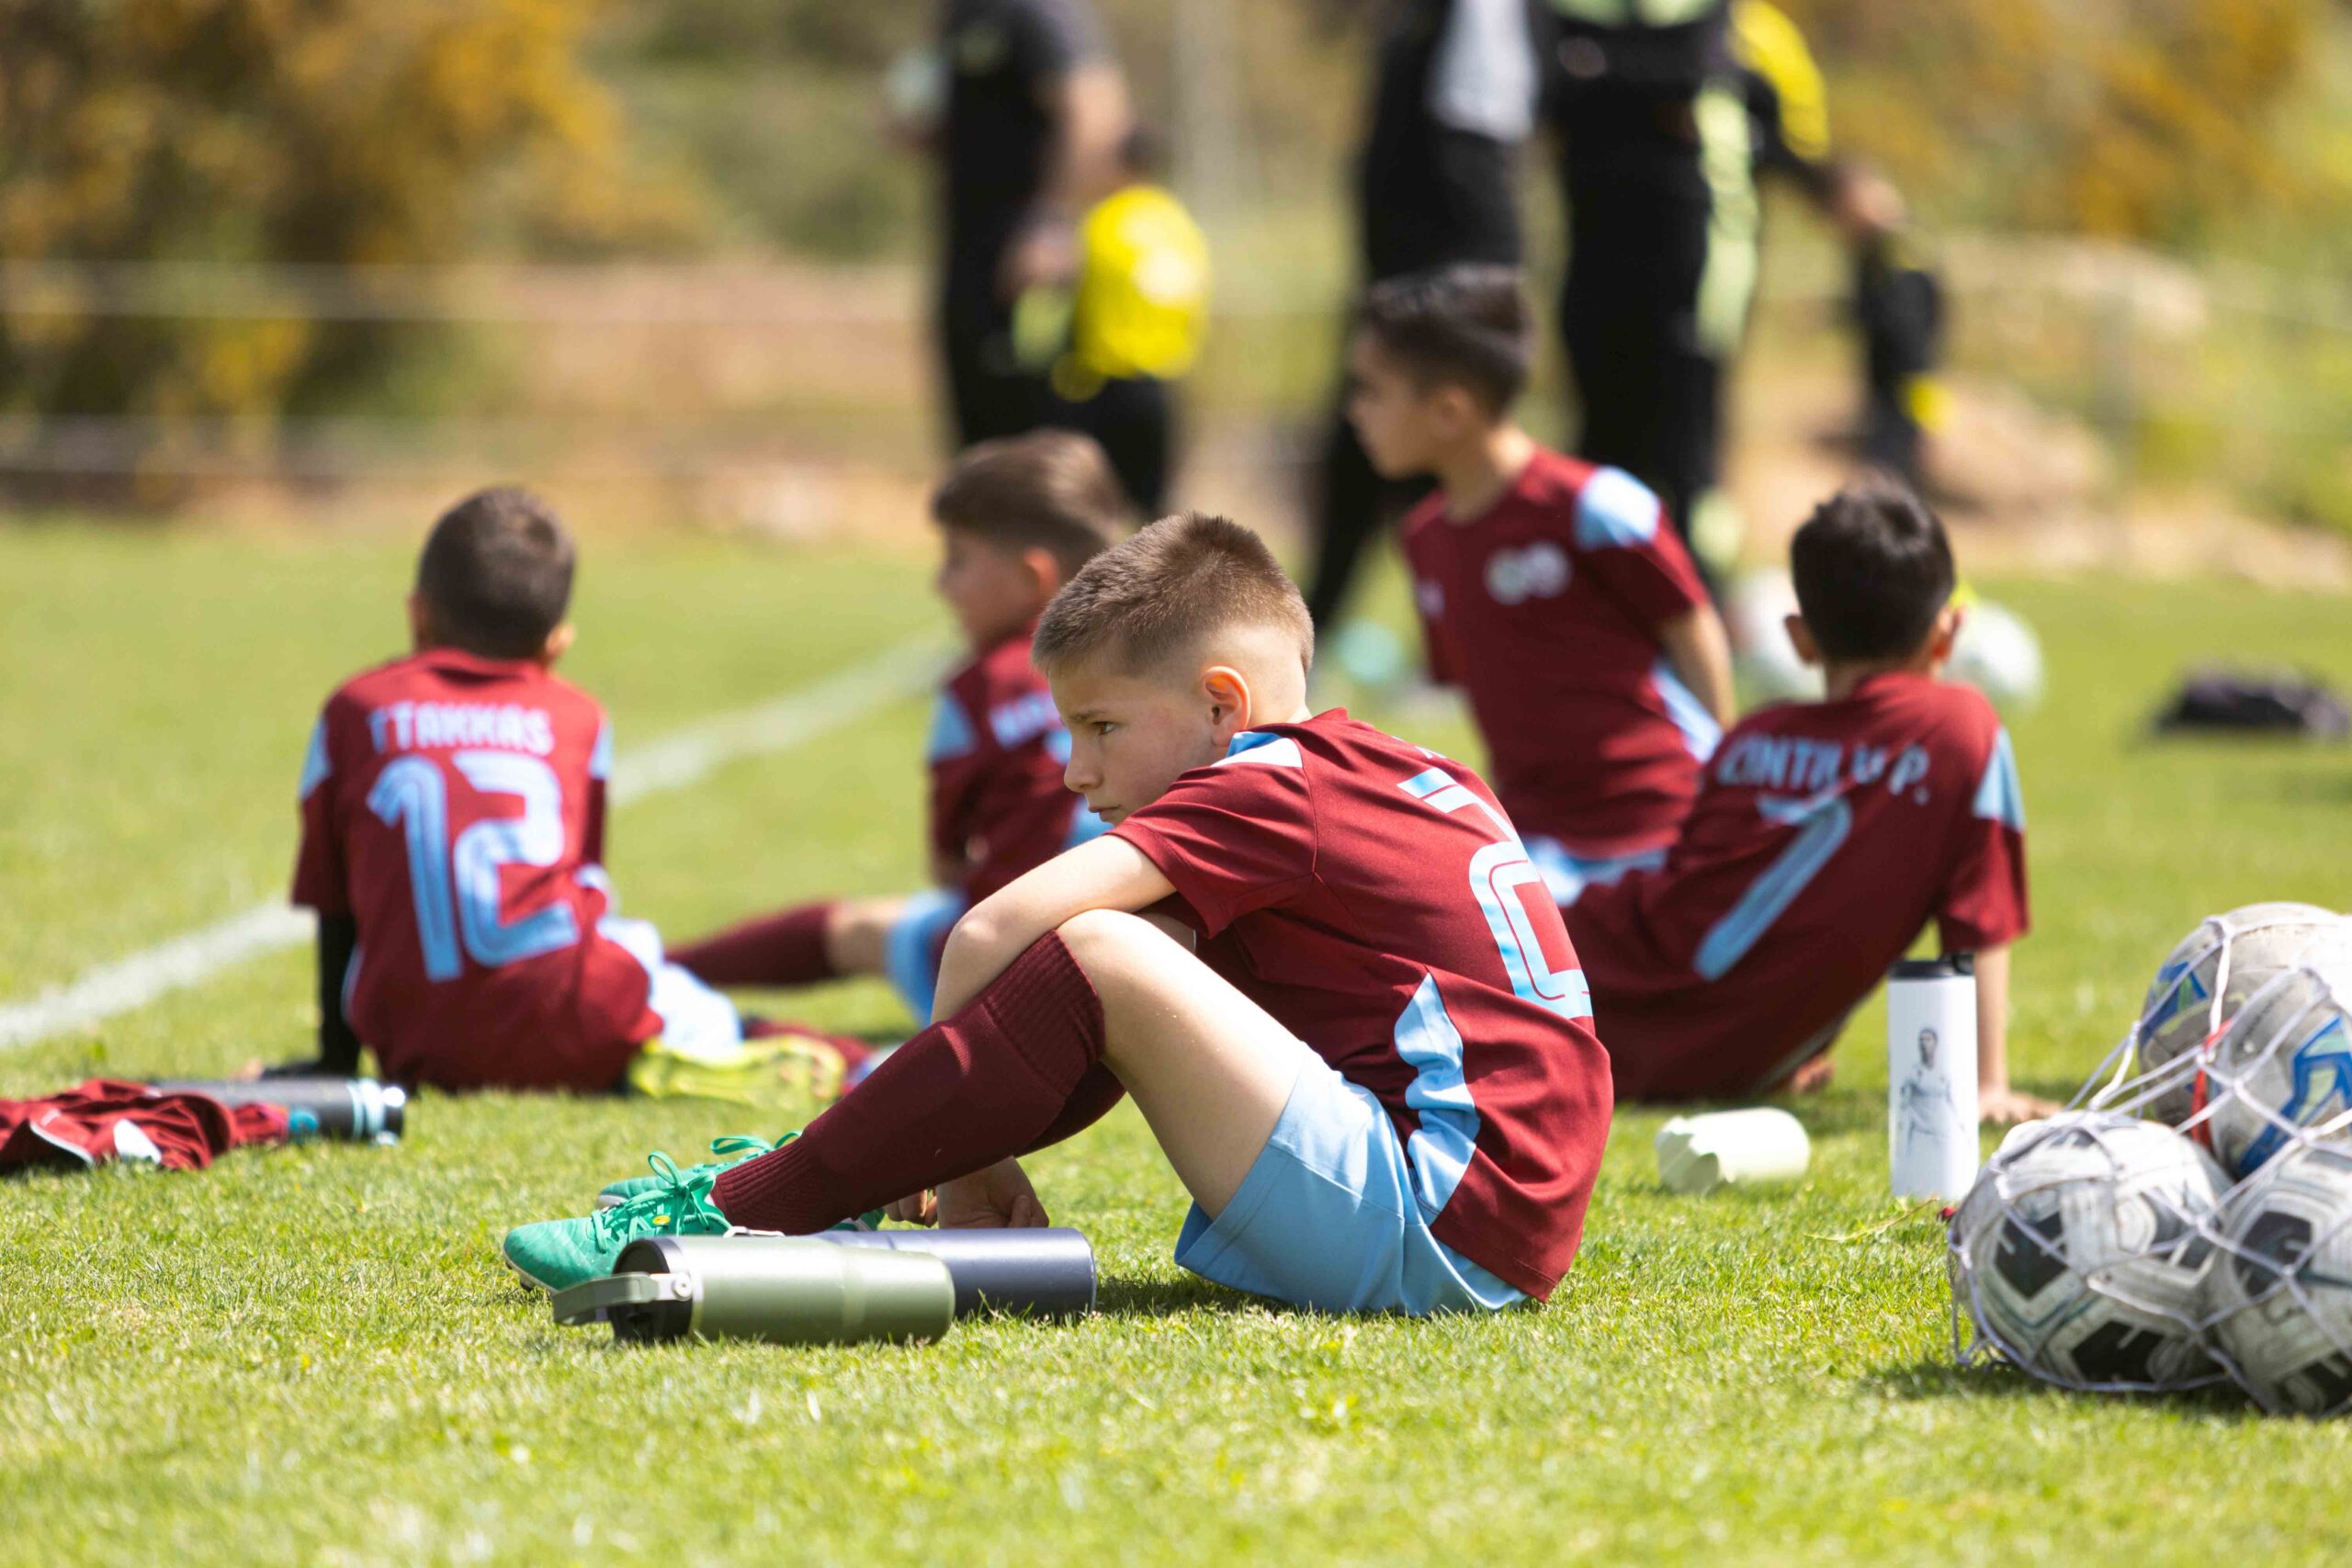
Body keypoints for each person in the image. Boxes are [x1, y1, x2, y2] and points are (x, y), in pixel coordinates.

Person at [503, 513, 1614, 1315]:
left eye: (1101, 728)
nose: (1075, 771)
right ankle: (827, 1175)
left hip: (1437, 1219)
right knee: (1145, 949)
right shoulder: (1388, 766)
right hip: (1487, 1217)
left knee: (1099, 946)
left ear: (1221, 704)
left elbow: (989, 931)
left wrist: (964, 1160)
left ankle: (745, 1209)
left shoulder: (1266, 782)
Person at [285, 489, 846, 1096]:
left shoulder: (354, 708)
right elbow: (582, 879)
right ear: (557, 643)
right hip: (575, 1021)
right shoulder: (578, 716)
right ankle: (845, 1058)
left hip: (419, 1048)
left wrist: (336, 1060)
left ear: (417, 614)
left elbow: (333, 904)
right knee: (690, 997)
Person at [1563, 479, 2058, 1122]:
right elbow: (1981, 919)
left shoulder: (1751, 738)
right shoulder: (1960, 730)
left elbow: (1701, 899)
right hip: (1698, 1050)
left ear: (1799, 639)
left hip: (1582, 984)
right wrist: (1987, 1082)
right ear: (1948, 633)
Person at [670, 431, 1127, 1027]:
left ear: (1031, 576)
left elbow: (948, 865)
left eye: (958, 560)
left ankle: (661, 969)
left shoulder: (982, 686)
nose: (942, 584)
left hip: (1009, 967)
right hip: (1157, 946)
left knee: (858, 931)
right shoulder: (1153, 664)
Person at [1347, 265, 1736, 905]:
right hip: (1540, 845)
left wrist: (1722, 793)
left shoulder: (1596, 507)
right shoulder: (1424, 542)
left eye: (1370, 391)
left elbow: (1692, 627)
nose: (1355, 412)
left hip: (1661, 820)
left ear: (1448, 410)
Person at [1306, 0, 1539, 632]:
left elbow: (1480, 169)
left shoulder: (1475, 22)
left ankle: (1475, 641)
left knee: (1438, 475)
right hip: (1394, 290)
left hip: (1441, 301)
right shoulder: (1409, 30)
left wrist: (1462, 315)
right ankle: (1323, 639)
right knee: (1359, 468)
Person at [1536, 0, 1752, 582]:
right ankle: (1597, 604)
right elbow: (1549, 84)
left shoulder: (1704, 10)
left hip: (1686, 264)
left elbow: (1696, 72)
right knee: (1599, 451)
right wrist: (1642, 87)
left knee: (1687, 455)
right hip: (1594, 262)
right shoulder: (1563, 10)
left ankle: (1703, 599)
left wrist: (1599, 69)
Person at [1729, 0, 1943, 491]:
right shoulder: (1869, 252)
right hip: (1884, 392)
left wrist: (1925, 407)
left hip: (1906, 393)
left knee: (1892, 477)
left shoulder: (1902, 249)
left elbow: (1917, 334)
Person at [920, 0, 1131, 453]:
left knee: (1034, 443)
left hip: (1025, 259)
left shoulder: (1036, 9)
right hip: (968, 251)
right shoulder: (960, 14)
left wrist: (1052, 222)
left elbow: (1095, 111)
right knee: (978, 441)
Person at [1034, 127, 1210, 515]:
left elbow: (1063, 293)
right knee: (1156, 511)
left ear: (1119, 166)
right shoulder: (1180, 225)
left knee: (1089, 506)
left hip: (1102, 382)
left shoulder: (1103, 221)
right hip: (1163, 382)